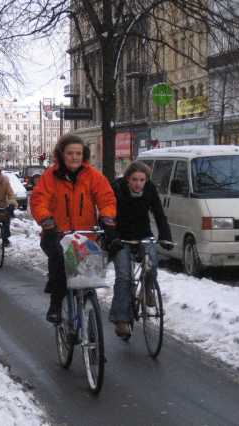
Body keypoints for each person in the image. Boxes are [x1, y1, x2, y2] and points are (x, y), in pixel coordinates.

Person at [30, 134, 117, 323]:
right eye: (70, 153)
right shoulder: (50, 176)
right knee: (61, 260)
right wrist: (46, 220)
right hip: (57, 234)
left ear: (83, 155)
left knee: (88, 276)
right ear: (62, 154)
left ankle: (87, 309)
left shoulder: (92, 175)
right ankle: (56, 303)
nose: (74, 157)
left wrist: (107, 216)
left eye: (78, 153)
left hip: (86, 236)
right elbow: (39, 200)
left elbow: (106, 198)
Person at [109, 161, 173, 338]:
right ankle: (121, 320)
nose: (138, 184)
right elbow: (107, 216)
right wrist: (112, 238)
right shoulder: (117, 190)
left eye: (142, 180)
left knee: (151, 263)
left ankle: (148, 289)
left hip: (143, 235)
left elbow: (159, 214)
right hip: (121, 237)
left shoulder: (150, 190)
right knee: (124, 277)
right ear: (127, 179)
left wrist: (165, 236)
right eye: (134, 179)